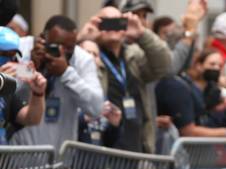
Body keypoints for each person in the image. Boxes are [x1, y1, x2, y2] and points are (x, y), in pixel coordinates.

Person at [79, 6, 171, 153]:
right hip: (101, 150)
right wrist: (82, 38)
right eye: (107, 23)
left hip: (137, 147)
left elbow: (164, 64)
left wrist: (142, 34)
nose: (113, 27)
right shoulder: (89, 56)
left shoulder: (133, 56)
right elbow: (64, 67)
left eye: (118, 22)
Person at [11, 15, 104, 151]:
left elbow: (96, 107)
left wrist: (67, 73)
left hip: (60, 162)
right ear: (43, 37)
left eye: (69, 48)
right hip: (19, 161)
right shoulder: (20, 47)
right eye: (56, 47)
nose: (62, 53)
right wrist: (29, 70)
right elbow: (6, 83)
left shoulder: (82, 60)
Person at [0, 26, 47, 144]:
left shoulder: (7, 88)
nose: (8, 60)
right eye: (3, 53)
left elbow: (31, 119)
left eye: (12, 55)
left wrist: (38, 92)